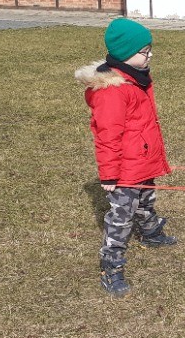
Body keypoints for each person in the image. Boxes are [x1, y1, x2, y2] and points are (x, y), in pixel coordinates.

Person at [75, 17, 178, 297]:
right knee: (121, 219)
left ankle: (151, 234)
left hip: (141, 161)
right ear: (125, 53)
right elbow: (107, 136)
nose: (150, 55)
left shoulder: (136, 79)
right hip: (124, 170)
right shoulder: (113, 91)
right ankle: (111, 267)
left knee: (146, 201)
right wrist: (109, 175)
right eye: (144, 51)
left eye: (149, 49)